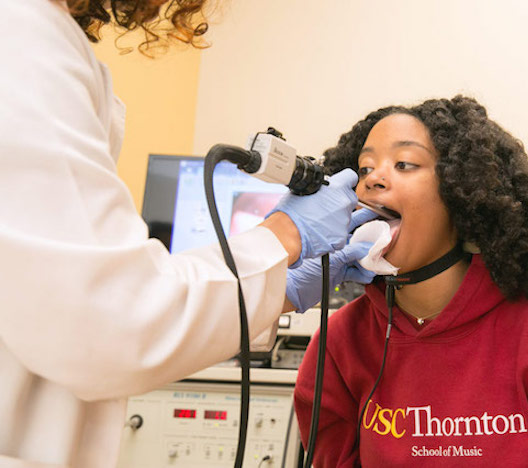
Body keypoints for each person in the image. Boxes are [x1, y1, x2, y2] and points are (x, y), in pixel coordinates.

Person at [0, 1, 375, 466]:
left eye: (406, 164)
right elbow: (115, 317)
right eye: (373, 166)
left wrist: (282, 288)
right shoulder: (20, 38)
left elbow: (82, 298)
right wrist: (286, 235)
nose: (377, 183)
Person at [294, 96, 528, 467]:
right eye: (364, 168)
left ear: (461, 194)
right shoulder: (339, 341)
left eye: (404, 164)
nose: (372, 178)